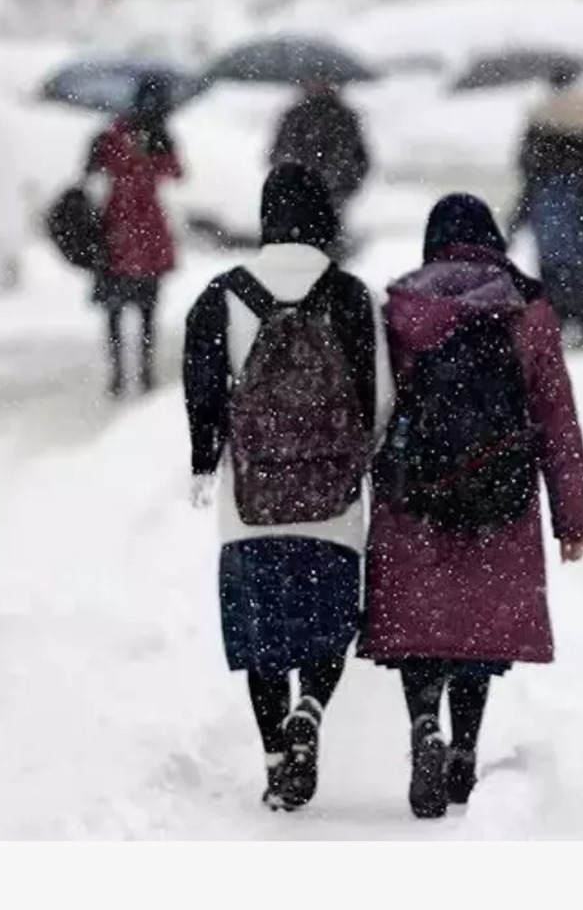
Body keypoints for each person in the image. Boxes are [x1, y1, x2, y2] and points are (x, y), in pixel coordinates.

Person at [361, 193, 583, 819]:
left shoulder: (401, 308)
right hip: (502, 494)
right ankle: (463, 749)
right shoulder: (526, 309)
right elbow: (557, 420)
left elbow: (376, 410)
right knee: (476, 630)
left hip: (416, 496)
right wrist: (573, 518)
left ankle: (424, 726)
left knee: (422, 630)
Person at [183, 163, 390, 812]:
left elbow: (202, 392)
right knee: (327, 628)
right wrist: (356, 457)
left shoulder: (222, 295)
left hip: (252, 504)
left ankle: (278, 758)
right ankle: (310, 708)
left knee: (263, 636)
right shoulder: (351, 296)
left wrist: (205, 457)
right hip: (332, 503)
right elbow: (378, 399)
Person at [85, 74, 184, 398]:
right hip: (143, 229)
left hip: (118, 230)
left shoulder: (115, 133)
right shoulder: (150, 134)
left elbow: (93, 171)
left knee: (118, 309)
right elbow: (174, 172)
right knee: (145, 308)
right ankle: (142, 371)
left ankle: (121, 373)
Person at [507, 123, 583, 349]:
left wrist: (512, 230)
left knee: (555, 290)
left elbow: (524, 207)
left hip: (550, 245)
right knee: (574, 288)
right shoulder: (581, 176)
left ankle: (563, 328)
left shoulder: (540, 176)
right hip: (572, 246)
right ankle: (578, 327)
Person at [268, 78, 370, 256]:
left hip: (333, 193)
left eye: (324, 80)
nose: (318, 85)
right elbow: (277, 153)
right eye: (314, 79)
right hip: (300, 195)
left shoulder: (343, 117)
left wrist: (345, 183)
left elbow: (360, 158)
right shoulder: (295, 115)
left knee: (329, 245)